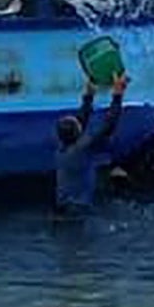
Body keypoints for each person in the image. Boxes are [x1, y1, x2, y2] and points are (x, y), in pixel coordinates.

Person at [53, 71, 128, 217]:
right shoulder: (81, 148)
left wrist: (89, 96)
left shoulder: (62, 146)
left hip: (62, 205)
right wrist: (118, 94)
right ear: (78, 132)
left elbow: (80, 121)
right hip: (77, 210)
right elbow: (109, 125)